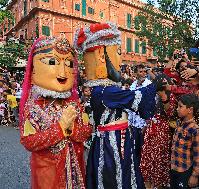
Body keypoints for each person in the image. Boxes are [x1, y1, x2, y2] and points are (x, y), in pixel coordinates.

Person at [73, 22, 156, 189]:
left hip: (115, 140)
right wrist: (157, 83)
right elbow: (137, 98)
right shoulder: (106, 91)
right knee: (114, 177)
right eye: (118, 53)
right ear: (102, 57)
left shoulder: (101, 89)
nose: (121, 59)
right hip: (112, 145)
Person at [19, 37, 92, 189]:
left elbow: (86, 131)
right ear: (33, 70)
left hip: (75, 168)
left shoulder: (74, 103)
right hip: (47, 173)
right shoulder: (33, 107)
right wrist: (60, 127)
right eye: (52, 62)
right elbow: (29, 141)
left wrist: (71, 129)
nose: (63, 72)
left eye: (69, 64)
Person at [140, 74, 177, 188]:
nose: (164, 85)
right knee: (147, 158)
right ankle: (148, 184)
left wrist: (164, 97)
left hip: (162, 132)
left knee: (158, 159)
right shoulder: (152, 94)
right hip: (151, 128)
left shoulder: (170, 96)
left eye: (166, 83)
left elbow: (170, 114)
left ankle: (158, 185)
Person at [170, 94, 199, 189]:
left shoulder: (195, 130)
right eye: (177, 106)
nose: (177, 109)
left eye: (180, 106)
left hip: (184, 171)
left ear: (190, 110)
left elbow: (198, 155)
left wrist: (195, 175)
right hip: (174, 168)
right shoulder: (179, 123)